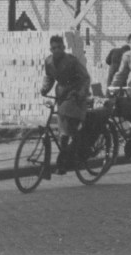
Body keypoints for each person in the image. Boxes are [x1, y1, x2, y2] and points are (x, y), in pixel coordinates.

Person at [40, 35, 91, 172]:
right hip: (62, 94)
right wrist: (45, 89)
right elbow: (49, 77)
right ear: (50, 49)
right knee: (64, 127)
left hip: (76, 94)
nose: (57, 50)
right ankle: (66, 158)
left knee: (66, 127)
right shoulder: (49, 62)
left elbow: (85, 78)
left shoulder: (72, 61)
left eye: (59, 47)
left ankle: (66, 160)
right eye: (54, 48)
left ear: (64, 47)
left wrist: (81, 93)